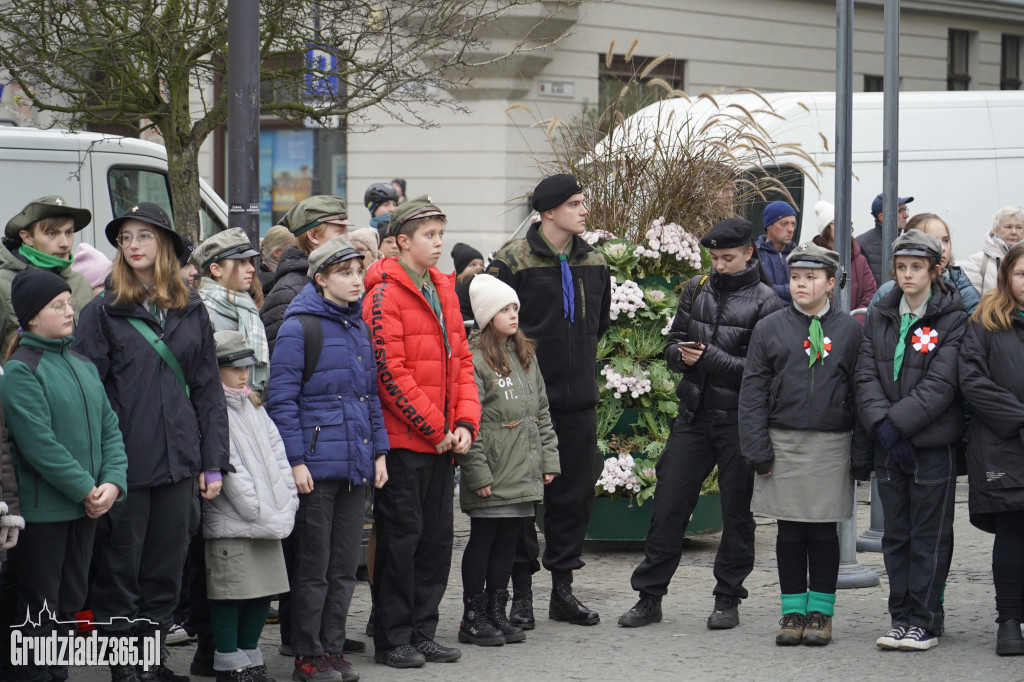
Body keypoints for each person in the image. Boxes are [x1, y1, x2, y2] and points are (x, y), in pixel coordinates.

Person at [72, 201, 230, 682]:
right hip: (124, 467)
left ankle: (150, 660)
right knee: (120, 573)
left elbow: (207, 390)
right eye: (126, 238)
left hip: (180, 464)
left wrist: (213, 463)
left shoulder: (191, 306)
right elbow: (87, 393)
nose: (134, 245)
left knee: (165, 573)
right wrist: (99, 468)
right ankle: (125, 669)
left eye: (144, 236)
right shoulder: (102, 311)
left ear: (164, 245)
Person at [618, 217, 781, 630]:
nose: (720, 265)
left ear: (748, 253)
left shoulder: (767, 301)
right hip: (693, 416)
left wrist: (707, 358)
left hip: (740, 423)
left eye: (728, 258)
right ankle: (649, 596)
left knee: (736, 514)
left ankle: (728, 598)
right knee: (669, 505)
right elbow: (672, 345)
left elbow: (762, 372)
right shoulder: (696, 289)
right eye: (714, 258)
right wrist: (681, 355)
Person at [362, 196, 480, 669]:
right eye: (429, 235)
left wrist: (466, 422)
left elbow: (463, 362)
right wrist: (436, 429)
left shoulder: (444, 288)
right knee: (400, 542)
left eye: (440, 234)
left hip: (443, 443)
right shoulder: (384, 294)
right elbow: (390, 373)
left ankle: (422, 630)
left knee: (434, 542)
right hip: (408, 443)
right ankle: (393, 638)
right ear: (402, 242)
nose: (438, 243)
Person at [488, 174, 610, 629]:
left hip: (578, 401)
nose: (583, 210)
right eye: (575, 204)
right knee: (522, 498)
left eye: (583, 201)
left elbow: (598, 325)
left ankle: (563, 589)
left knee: (573, 497)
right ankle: (521, 594)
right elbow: (493, 331)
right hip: (524, 404)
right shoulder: (510, 262)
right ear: (549, 212)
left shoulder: (595, 260)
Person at [268, 236, 389, 682]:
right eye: (345, 273)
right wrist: (297, 462)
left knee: (342, 568)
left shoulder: (358, 326)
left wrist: (378, 452)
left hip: (355, 464)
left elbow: (369, 395)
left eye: (359, 271)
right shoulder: (300, 327)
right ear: (320, 280)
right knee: (313, 567)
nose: (357, 280)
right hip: (317, 467)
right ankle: (307, 654)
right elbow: (281, 402)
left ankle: (333, 649)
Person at [738, 242, 870, 647]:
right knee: (790, 531)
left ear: (831, 283)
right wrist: (757, 449)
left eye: (811, 277)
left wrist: (861, 453)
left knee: (824, 533)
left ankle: (821, 614)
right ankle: (793, 611)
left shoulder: (849, 330)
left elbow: (862, 391)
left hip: (831, 444)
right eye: (795, 277)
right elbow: (753, 393)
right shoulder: (770, 328)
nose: (800, 284)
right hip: (784, 443)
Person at [1, 269, 126, 682]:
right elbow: (38, 445)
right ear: (32, 316)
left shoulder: (83, 364)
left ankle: (57, 673)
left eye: (68, 302)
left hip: (86, 508)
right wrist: (86, 489)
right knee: (38, 606)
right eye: (58, 305)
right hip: (45, 514)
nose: (69, 310)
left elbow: (110, 429)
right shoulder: (21, 370)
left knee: (72, 603)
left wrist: (112, 482)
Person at [854, 229, 966, 652]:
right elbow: (865, 375)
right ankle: (900, 616)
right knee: (896, 535)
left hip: (932, 445)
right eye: (901, 267)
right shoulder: (881, 314)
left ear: (934, 270)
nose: (907, 275)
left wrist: (896, 424)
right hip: (889, 445)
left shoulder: (952, 318)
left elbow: (942, 383)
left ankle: (925, 618)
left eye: (916, 267)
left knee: (930, 534)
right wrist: (882, 425)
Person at [455, 274, 560, 647]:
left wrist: (548, 460)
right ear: (486, 316)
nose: (513, 314)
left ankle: (497, 611)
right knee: (484, 539)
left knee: (508, 543)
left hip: (523, 468)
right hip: (494, 469)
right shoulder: (475, 360)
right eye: (504, 308)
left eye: (515, 306)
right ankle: (473, 614)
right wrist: (478, 471)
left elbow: (541, 414)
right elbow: (471, 421)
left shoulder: (525, 356)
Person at [205, 330, 298, 682]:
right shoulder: (212, 408)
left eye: (247, 366)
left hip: (269, 516)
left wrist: (286, 500)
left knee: (263, 590)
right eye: (233, 367)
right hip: (236, 519)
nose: (243, 374)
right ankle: (230, 663)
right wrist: (259, 510)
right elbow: (227, 465)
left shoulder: (253, 403)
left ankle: (250, 657)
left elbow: (278, 455)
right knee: (232, 593)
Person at [958, 241, 1024, 656]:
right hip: (1003, 445)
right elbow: (972, 380)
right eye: (1021, 273)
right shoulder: (984, 321)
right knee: (1014, 534)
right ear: (1006, 277)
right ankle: (1009, 622)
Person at [0, 196, 94, 356]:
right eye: (52, 233)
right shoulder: (3, 283)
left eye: (69, 232)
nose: (65, 242)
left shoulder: (80, 283)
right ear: (27, 237)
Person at [260, 196, 354, 354]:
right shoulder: (289, 292)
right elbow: (284, 364)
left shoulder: (337, 281)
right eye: (339, 231)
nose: (348, 237)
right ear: (313, 236)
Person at [192, 228, 268, 397]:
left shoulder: (245, 306)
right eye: (241, 262)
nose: (251, 269)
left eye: (250, 262)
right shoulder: (204, 312)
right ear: (216, 269)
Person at [870, 213, 980, 317]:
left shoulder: (966, 293)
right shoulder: (886, 292)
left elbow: (974, 334)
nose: (942, 248)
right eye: (932, 241)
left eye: (946, 240)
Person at [812, 200, 876, 322]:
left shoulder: (859, 261)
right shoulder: (812, 260)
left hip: (853, 328)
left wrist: (853, 323)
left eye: (847, 222)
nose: (844, 226)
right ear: (825, 228)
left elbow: (869, 295)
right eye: (837, 222)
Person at [961, 205, 1024, 295]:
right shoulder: (978, 262)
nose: (1014, 232)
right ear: (995, 230)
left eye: (1019, 227)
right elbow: (971, 301)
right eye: (1008, 227)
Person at [857, 193, 914, 288]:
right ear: (882, 217)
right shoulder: (862, 245)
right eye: (900, 211)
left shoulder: (908, 242)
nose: (906, 215)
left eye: (905, 209)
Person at [756, 201, 798, 306]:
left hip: (795, 317)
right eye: (784, 224)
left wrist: (773, 288)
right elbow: (757, 290)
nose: (790, 229)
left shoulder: (799, 254)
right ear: (768, 225)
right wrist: (789, 290)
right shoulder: (755, 254)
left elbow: (803, 289)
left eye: (793, 224)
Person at [453, 243, 485, 323]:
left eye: (481, 264)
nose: (478, 268)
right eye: (472, 265)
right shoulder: (465, 284)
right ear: (461, 269)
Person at [258, 225, 297, 290]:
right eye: (292, 249)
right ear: (276, 252)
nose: (296, 252)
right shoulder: (266, 279)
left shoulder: (258, 265)